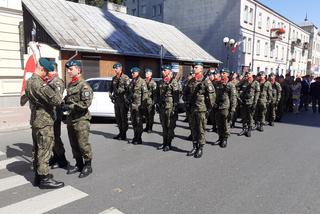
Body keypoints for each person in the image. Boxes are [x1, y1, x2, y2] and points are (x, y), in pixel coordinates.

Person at [25, 57, 64, 189]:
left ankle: (37, 176)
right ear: (41, 68)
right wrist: (52, 86)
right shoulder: (40, 84)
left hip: (36, 119)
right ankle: (45, 178)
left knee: (37, 149)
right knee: (45, 150)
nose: (47, 74)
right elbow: (57, 100)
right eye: (46, 71)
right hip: (44, 120)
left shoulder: (29, 81)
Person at [63, 60, 93, 178]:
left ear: (78, 70)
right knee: (73, 144)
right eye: (68, 69)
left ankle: (88, 165)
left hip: (81, 119)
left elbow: (85, 104)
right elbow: (70, 98)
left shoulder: (84, 85)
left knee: (83, 144)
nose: (68, 71)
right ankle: (79, 163)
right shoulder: (71, 84)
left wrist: (69, 106)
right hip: (71, 118)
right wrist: (64, 102)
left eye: (71, 69)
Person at [187, 62, 215, 158]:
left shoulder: (206, 81)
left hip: (201, 109)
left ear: (201, 69)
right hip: (192, 108)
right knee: (193, 129)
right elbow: (185, 92)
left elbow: (212, 97)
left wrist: (208, 110)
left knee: (201, 129)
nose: (194, 68)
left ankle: (200, 148)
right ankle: (194, 146)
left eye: (196, 67)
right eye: (194, 67)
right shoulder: (192, 81)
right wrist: (187, 101)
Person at [48, 63, 69, 169]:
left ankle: (62, 159)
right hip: (50, 114)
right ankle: (55, 157)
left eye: (51, 71)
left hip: (56, 114)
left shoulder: (57, 82)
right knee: (51, 138)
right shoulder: (50, 81)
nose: (48, 73)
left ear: (55, 71)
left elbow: (57, 98)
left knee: (56, 138)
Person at [156, 65, 179, 152]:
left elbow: (176, 96)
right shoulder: (161, 81)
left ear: (169, 71)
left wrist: (175, 108)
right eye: (162, 70)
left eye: (165, 70)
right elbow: (157, 94)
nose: (163, 71)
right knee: (164, 126)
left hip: (170, 107)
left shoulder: (174, 82)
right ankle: (164, 142)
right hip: (162, 107)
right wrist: (157, 103)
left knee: (170, 126)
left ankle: (168, 144)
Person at [214, 68, 236, 148]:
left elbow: (233, 98)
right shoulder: (218, 83)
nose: (222, 74)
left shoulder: (230, 85)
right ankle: (220, 138)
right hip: (218, 107)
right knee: (219, 124)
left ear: (227, 74)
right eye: (221, 73)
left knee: (226, 124)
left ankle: (225, 139)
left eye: (223, 73)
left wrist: (232, 109)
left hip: (226, 107)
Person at [109, 63, 130, 140]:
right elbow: (111, 88)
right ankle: (120, 132)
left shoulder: (125, 78)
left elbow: (128, 89)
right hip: (117, 101)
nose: (115, 70)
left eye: (116, 68)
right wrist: (110, 94)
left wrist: (122, 91)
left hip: (123, 101)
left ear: (120, 68)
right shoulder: (114, 78)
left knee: (123, 118)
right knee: (118, 118)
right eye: (114, 68)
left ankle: (124, 134)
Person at [127, 67, 148, 144]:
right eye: (132, 73)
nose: (132, 74)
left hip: (139, 105)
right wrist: (128, 98)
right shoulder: (132, 81)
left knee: (139, 122)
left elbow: (145, 94)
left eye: (134, 73)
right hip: (132, 105)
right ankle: (135, 136)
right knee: (134, 122)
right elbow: (129, 92)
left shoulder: (142, 81)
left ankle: (139, 138)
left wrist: (143, 105)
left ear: (138, 73)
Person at [238, 70, 260, 137]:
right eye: (247, 74)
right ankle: (244, 129)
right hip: (243, 101)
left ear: (252, 75)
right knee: (244, 116)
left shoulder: (255, 83)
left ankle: (249, 130)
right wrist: (239, 94)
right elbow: (237, 87)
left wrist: (255, 102)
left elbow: (257, 93)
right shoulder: (244, 81)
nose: (247, 75)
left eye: (249, 74)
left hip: (251, 102)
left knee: (250, 116)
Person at [143, 68, 157, 133]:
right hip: (144, 101)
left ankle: (150, 128)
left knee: (150, 115)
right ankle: (146, 126)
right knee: (146, 115)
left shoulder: (153, 83)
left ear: (150, 74)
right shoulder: (143, 81)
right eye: (145, 73)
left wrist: (154, 102)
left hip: (150, 102)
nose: (146, 74)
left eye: (147, 73)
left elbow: (155, 93)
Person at [182, 70, 195, 140]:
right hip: (189, 103)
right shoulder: (189, 82)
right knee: (191, 120)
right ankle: (192, 133)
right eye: (191, 74)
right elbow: (185, 92)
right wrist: (185, 99)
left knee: (197, 122)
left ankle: (196, 136)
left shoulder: (201, 81)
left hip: (197, 105)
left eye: (192, 74)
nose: (191, 76)